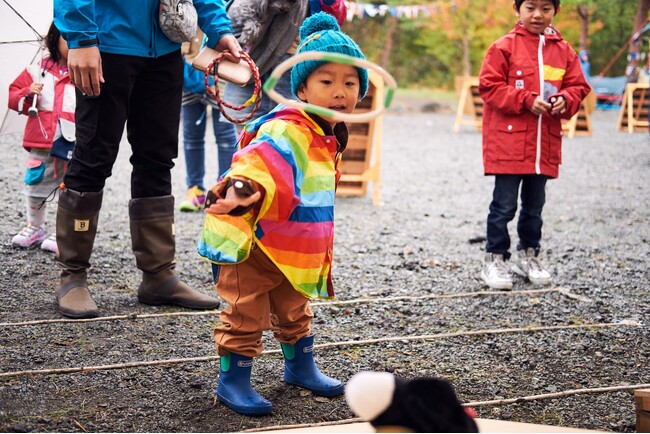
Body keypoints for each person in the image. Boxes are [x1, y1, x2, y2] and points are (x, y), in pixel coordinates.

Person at [196, 12, 369, 416]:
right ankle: (233, 381)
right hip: (253, 240)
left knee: (294, 306)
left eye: (349, 82)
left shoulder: (327, 131)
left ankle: (300, 366)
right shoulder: (288, 126)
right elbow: (259, 161)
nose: (340, 91)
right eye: (326, 81)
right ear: (303, 89)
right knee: (245, 310)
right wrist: (241, 191)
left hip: (290, 243)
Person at [52, 1, 242, 319]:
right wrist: (81, 38)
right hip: (105, 44)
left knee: (158, 158)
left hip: (165, 49)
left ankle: (158, 275)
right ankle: (72, 276)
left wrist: (219, 28)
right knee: (92, 158)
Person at [478, 0, 591, 290]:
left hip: (544, 147)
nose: (537, 15)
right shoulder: (503, 47)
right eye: (530, 7)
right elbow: (489, 87)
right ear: (518, 9)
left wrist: (566, 99)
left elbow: (578, 86)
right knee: (503, 205)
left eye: (545, 8)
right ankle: (495, 257)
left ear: (556, 11)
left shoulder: (564, 50)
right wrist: (526, 100)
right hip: (510, 143)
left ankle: (529, 254)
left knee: (534, 206)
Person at [222, 0, 347, 127]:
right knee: (244, 129)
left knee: (289, 129)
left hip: (293, 62)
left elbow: (335, 17)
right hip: (254, 53)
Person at [8, 22, 73, 255]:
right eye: (68, 37)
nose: (73, 42)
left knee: (70, 188)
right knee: (35, 186)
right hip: (41, 140)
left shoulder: (81, 71)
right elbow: (13, 96)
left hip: (69, 142)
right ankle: (35, 227)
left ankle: (62, 232)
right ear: (54, 39)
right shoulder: (36, 71)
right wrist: (27, 94)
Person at [179, 34, 238, 212]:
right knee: (191, 136)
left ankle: (224, 190)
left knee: (226, 136)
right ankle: (194, 189)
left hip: (221, 73)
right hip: (188, 68)